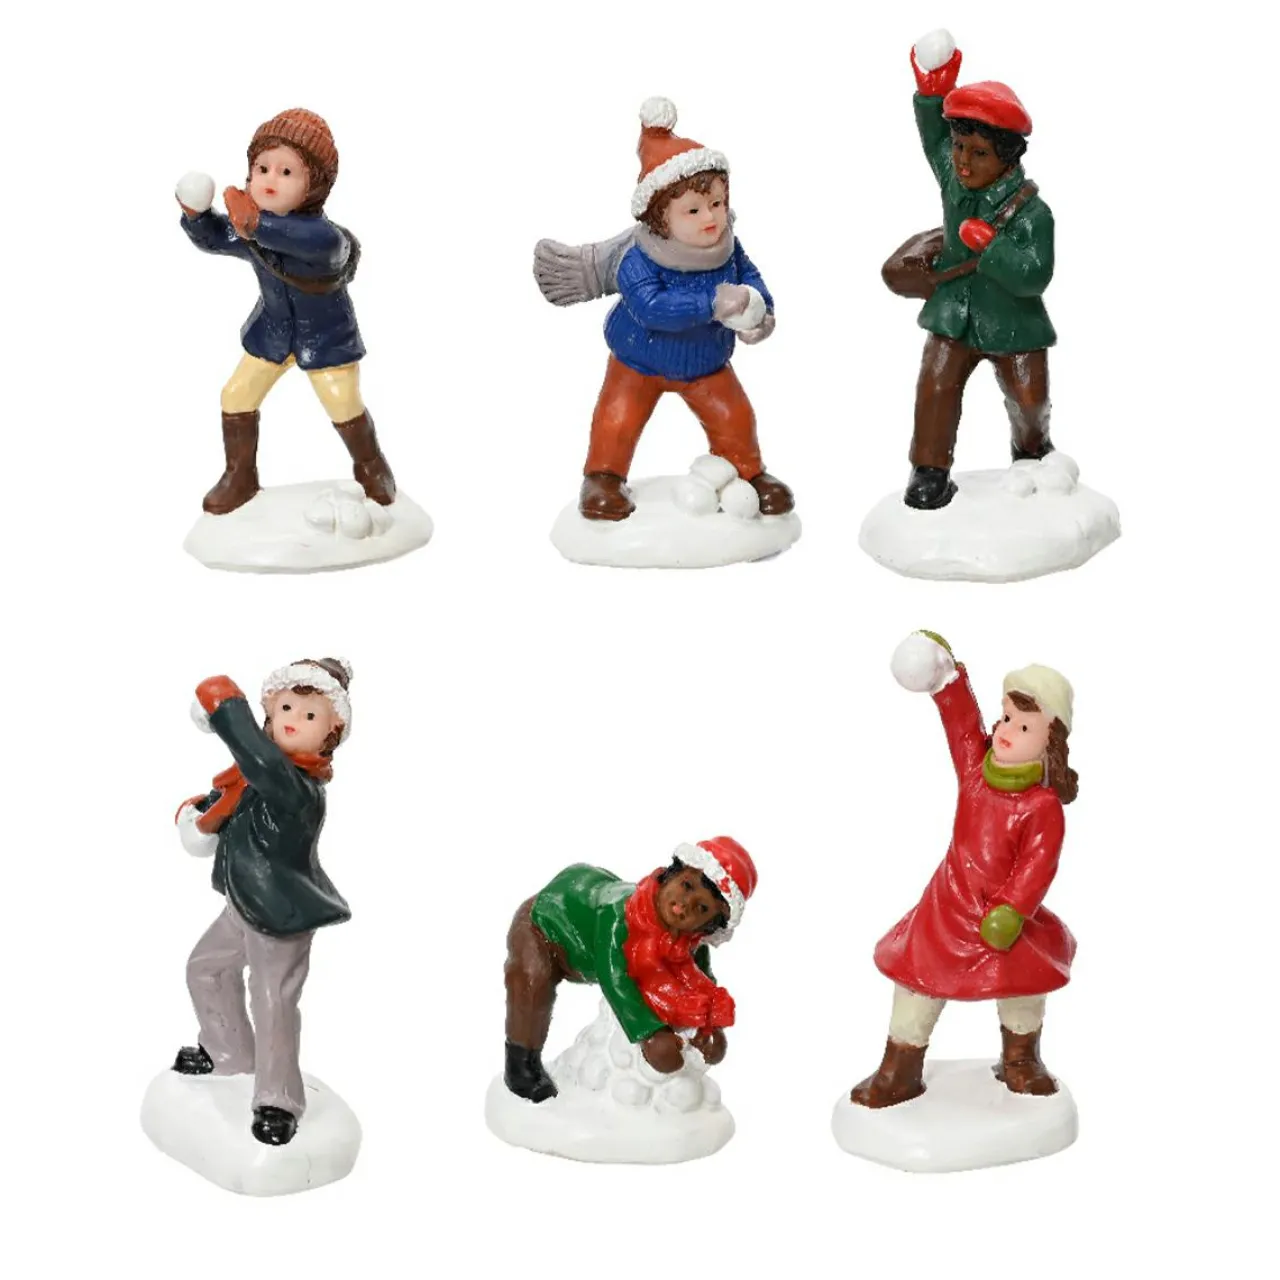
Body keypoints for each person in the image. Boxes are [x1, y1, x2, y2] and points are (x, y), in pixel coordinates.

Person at [851, 633, 1077, 1108]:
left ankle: (1021, 1058)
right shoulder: (977, 770)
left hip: (1004, 918)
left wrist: (1012, 909)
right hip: (950, 906)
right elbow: (962, 725)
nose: (1007, 730)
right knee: (916, 982)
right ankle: (900, 1067)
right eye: (1007, 717)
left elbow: (1038, 864)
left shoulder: (1042, 806)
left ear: (1050, 741)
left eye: (1025, 725)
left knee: (1024, 986)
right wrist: (946, 677)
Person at [176, 109, 395, 514]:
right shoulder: (253, 229)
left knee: (343, 402)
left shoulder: (324, 238)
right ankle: (240, 476)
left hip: (325, 339)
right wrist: (197, 216)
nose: (269, 179)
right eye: (261, 168)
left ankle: (371, 466)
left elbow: (303, 241)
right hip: (273, 334)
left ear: (314, 186)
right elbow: (219, 237)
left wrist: (254, 224)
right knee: (236, 394)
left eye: (286, 172)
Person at [172, 658, 353, 1146]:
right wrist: (201, 813)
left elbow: (262, 763)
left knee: (273, 1000)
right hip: (244, 903)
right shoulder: (253, 778)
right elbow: (233, 801)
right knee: (205, 969)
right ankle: (228, 1050)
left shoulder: (295, 787)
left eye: (310, 716)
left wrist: (224, 702)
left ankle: (278, 1100)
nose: (294, 719)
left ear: (330, 735)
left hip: (280, 915)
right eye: (286, 708)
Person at [902, 30, 1057, 509]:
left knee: (1029, 399)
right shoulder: (953, 177)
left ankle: (1032, 452)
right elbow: (934, 139)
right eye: (960, 148)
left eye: (979, 153)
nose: (964, 162)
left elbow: (1036, 274)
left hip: (1013, 321)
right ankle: (929, 468)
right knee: (936, 385)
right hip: (954, 314)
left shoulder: (1033, 213)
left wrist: (993, 247)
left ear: (1007, 158)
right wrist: (932, 95)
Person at [503, 837, 757, 1102]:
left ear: (709, 925)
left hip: (590, 917)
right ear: (671, 875)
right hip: (546, 924)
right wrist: (650, 1034)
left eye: (702, 908)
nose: (684, 904)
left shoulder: (689, 942)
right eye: (686, 885)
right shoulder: (619, 915)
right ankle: (521, 1065)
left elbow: (701, 980)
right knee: (533, 980)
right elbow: (615, 978)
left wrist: (709, 1026)